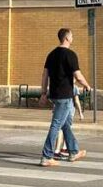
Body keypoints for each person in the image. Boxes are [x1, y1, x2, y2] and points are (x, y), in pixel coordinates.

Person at [39, 27, 92, 167]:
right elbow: (78, 76)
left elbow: (45, 75)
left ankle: (73, 151)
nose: (73, 38)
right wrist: (87, 85)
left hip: (55, 95)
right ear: (67, 38)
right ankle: (46, 156)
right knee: (56, 125)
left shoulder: (51, 54)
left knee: (65, 124)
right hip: (64, 96)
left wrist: (44, 93)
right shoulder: (70, 55)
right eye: (72, 36)